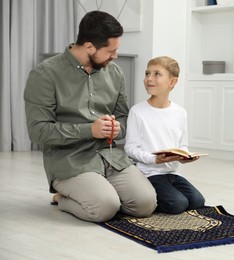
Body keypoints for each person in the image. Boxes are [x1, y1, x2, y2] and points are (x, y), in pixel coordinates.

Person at [24, 11, 157, 222]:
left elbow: (123, 117)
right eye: (110, 51)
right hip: (70, 160)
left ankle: (101, 191)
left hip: (109, 156)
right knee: (104, 207)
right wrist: (90, 130)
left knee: (145, 204)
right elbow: (37, 131)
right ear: (89, 47)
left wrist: (117, 128)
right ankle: (61, 198)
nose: (115, 56)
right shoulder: (45, 74)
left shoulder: (114, 73)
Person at [124, 56, 205, 214]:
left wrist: (185, 156)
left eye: (157, 74)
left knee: (197, 201)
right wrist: (154, 159)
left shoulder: (180, 113)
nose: (149, 78)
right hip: (149, 174)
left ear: (172, 82)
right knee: (177, 204)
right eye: (147, 73)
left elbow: (182, 145)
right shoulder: (137, 111)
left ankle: (167, 195)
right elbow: (130, 148)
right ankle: (139, 197)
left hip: (172, 173)